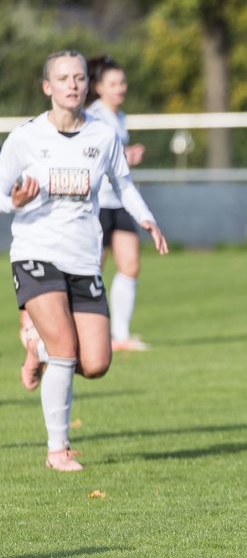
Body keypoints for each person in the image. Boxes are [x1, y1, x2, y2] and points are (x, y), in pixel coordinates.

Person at [0, 51, 169, 471]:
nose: (72, 84)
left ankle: (37, 347)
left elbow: (123, 184)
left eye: (78, 77)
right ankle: (58, 449)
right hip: (36, 252)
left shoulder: (103, 135)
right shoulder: (26, 137)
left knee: (94, 363)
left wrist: (146, 218)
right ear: (47, 87)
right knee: (66, 351)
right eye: (63, 78)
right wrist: (13, 201)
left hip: (84, 258)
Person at [86, 55, 150, 351]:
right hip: (97, 203)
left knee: (130, 265)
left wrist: (127, 158)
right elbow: (93, 157)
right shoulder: (93, 117)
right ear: (99, 88)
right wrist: (125, 156)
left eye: (122, 82)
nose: (120, 88)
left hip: (121, 202)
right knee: (91, 270)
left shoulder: (120, 117)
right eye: (113, 83)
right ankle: (89, 334)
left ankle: (120, 336)